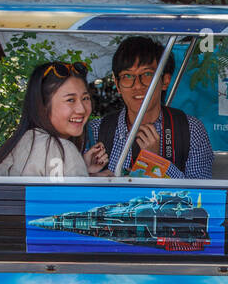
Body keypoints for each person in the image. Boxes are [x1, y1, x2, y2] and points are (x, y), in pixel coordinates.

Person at [85, 36, 213, 179]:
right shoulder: (96, 131)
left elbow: (199, 197)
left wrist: (155, 162)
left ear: (165, 81)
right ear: (117, 84)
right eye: (127, 76)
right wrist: (89, 177)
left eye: (147, 74)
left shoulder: (191, 130)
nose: (138, 85)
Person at [0, 61, 110, 177]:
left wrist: (83, 168)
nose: (81, 109)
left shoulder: (22, 142)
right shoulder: (62, 150)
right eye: (70, 100)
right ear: (44, 105)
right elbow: (78, 197)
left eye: (85, 98)